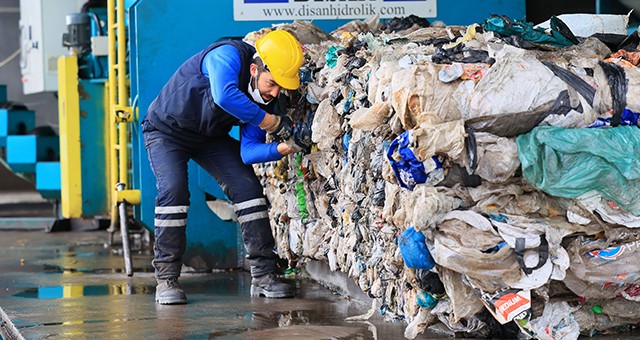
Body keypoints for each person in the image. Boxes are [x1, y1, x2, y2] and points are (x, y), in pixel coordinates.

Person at [142, 30, 311, 304]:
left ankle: (264, 275)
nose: (275, 92)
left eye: (281, 87)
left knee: (248, 189)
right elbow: (224, 96)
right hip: (166, 132)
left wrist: (282, 148)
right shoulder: (227, 55)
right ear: (254, 69)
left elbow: (248, 152)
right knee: (174, 191)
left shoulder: (264, 98)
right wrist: (270, 122)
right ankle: (166, 279)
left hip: (209, 138)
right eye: (272, 83)